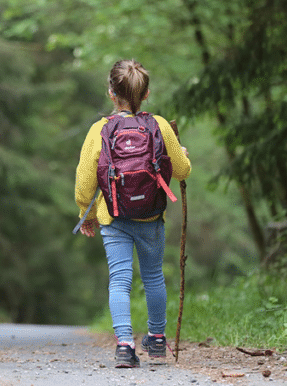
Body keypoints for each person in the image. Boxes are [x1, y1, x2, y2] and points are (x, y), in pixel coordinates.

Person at [75, 59, 191, 368]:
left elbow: (85, 180)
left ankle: (125, 345)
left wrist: (85, 214)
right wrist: (182, 155)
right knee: (153, 277)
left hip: (114, 217)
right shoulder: (160, 126)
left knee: (119, 280)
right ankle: (156, 341)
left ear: (111, 93)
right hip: (151, 217)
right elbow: (182, 170)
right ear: (147, 94)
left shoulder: (100, 129)